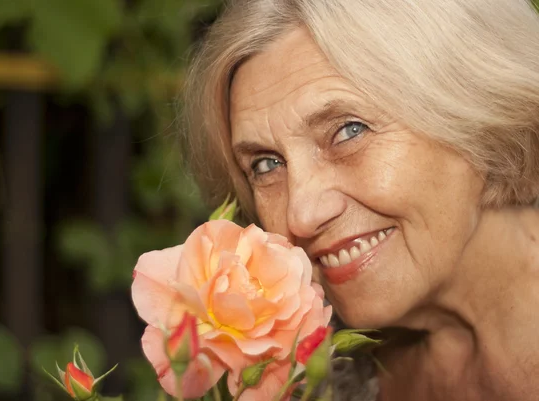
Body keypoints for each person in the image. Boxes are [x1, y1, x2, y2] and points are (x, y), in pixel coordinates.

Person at [180, 0, 539, 400]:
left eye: (349, 130)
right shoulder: (314, 377)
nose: (301, 215)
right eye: (266, 165)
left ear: (481, 115)